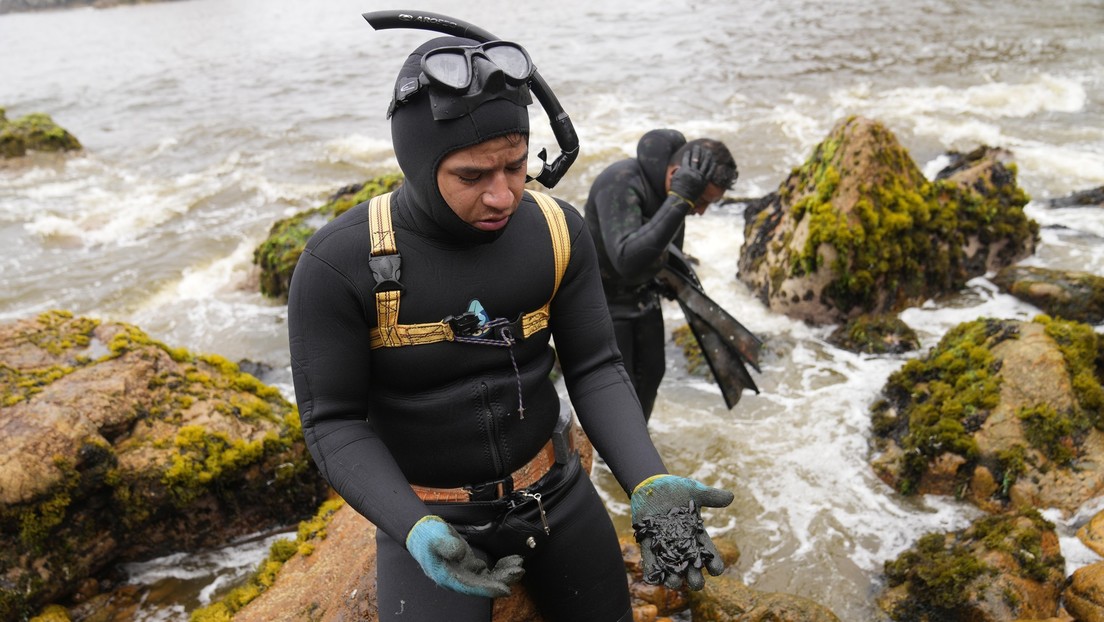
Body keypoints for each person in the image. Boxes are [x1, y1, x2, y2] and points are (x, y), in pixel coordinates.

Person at [287, 35, 733, 622]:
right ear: (420, 165)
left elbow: (596, 367)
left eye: (517, 165)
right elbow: (334, 423)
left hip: (556, 498)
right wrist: (413, 529)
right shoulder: (340, 266)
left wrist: (648, 481)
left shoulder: (553, 230)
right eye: (472, 175)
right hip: (433, 517)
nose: (503, 194)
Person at [583, 130, 738, 422]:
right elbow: (626, 260)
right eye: (701, 200)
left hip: (644, 296)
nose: (701, 211)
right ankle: (612, 459)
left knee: (652, 374)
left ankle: (639, 451)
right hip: (605, 304)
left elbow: (668, 249)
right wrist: (681, 199)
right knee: (619, 387)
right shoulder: (620, 182)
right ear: (678, 175)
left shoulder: (676, 193)